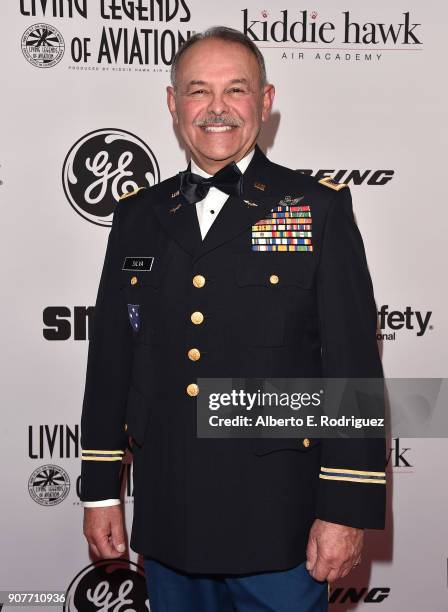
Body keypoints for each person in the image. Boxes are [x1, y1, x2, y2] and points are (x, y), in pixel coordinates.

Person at [80, 26, 386, 612]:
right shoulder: (138, 217)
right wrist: (100, 493)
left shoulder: (314, 208)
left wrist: (345, 509)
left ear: (265, 101)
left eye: (236, 90)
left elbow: (352, 369)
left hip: (280, 527)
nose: (216, 108)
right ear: (174, 104)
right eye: (198, 91)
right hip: (170, 521)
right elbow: (111, 361)